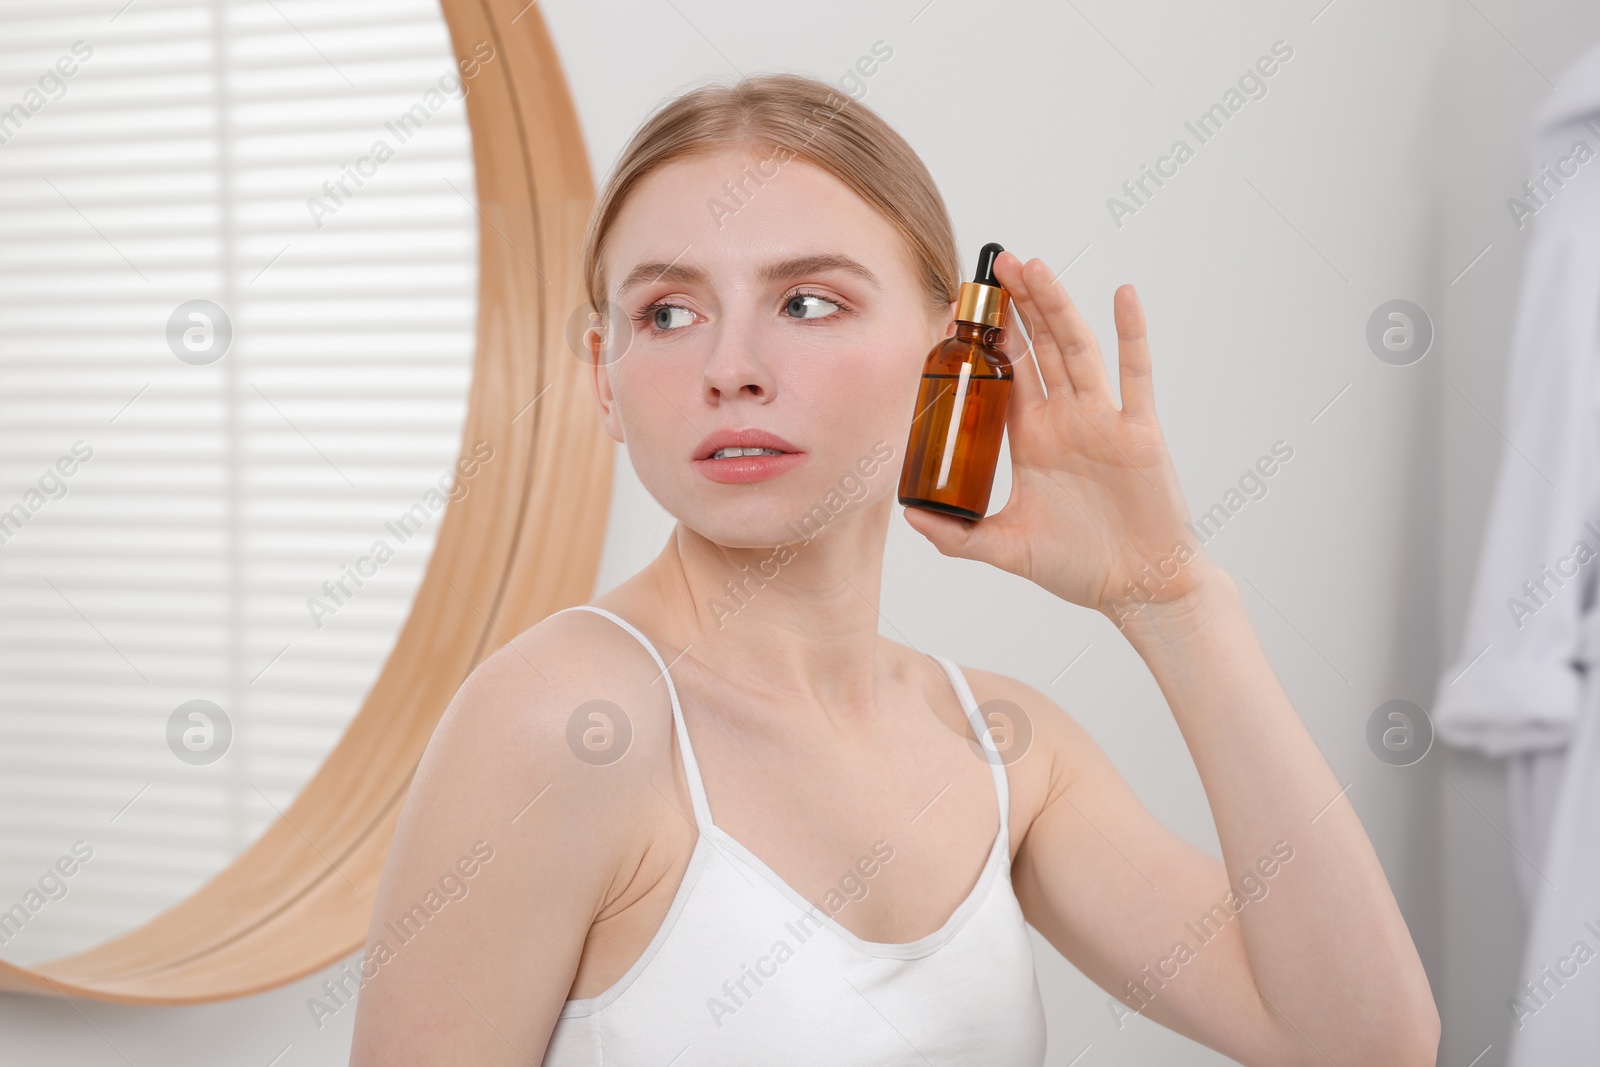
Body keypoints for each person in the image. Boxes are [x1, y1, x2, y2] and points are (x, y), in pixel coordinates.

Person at [349, 72, 1438, 1065]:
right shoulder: (563, 722)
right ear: (603, 375)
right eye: (667, 312)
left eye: (807, 301)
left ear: (953, 353)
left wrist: (1172, 600)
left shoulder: (1004, 747)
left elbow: (1358, 1040)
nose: (731, 368)